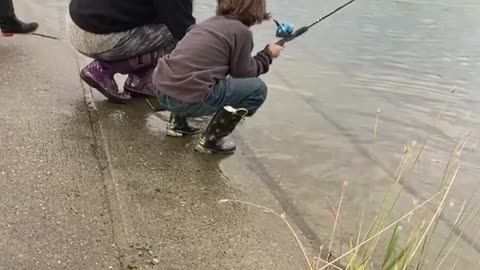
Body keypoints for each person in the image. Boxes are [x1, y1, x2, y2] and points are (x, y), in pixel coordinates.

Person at [150, 0, 283, 154]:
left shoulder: (206, 24)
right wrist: (267, 55)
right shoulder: (241, 31)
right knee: (257, 89)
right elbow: (244, 74)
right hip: (185, 99)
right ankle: (212, 140)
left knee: (196, 72)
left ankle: (178, 124)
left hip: (161, 90)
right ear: (256, 9)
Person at [65, 0, 195, 103]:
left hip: (74, 22)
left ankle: (140, 80)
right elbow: (185, 33)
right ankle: (104, 68)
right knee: (178, 37)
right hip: (99, 37)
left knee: (163, 18)